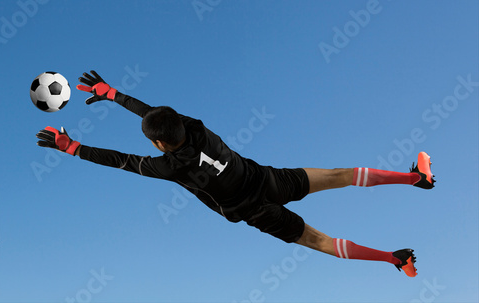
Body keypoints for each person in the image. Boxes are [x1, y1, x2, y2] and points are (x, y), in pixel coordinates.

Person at [36, 70, 436, 278]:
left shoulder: (166, 166)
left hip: (253, 210)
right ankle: (417, 178)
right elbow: (155, 113)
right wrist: (113, 94)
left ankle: (393, 260)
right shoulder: (196, 126)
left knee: (320, 240)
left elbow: (120, 160)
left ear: (159, 145)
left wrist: (72, 147)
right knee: (339, 175)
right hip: (266, 179)